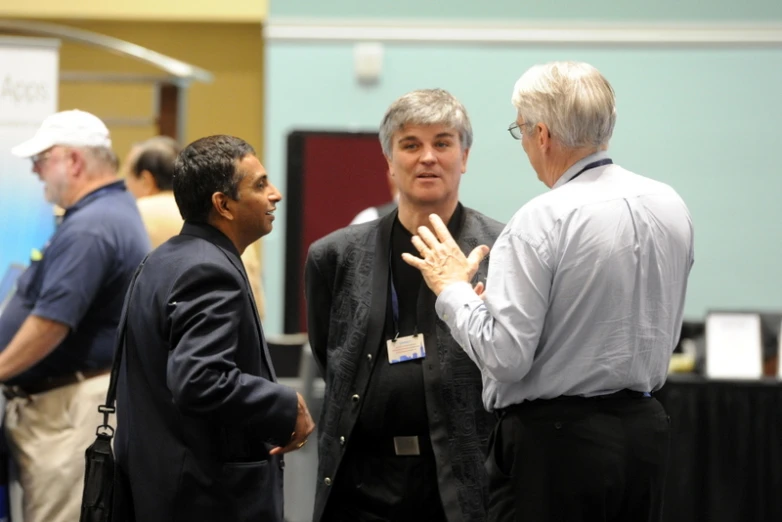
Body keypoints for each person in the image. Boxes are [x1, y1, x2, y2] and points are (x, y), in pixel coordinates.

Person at [403, 61, 695, 522]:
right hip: (644, 435)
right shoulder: (669, 204)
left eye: (520, 132)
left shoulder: (543, 219)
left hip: (557, 449)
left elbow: (506, 358)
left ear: (542, 134)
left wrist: (453, 289)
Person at [305, 89, 504, 522]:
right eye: (411, 144)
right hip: (360, 484)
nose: (427, 157)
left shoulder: (503, 250)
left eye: (442, 143)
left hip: (464, 484)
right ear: (389, 162)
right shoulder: (335, 257)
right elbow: (333, 357)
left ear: (464, 157)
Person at [114, 135, 315, 522]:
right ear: (222, 204)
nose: (275, 195)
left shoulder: (162, 259)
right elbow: (200, 379)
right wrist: (286, 405)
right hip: (205, 499)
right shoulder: (209, 271)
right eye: (259, 185)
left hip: (160, 487)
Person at [0, 109, 150, 522]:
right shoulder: (106, 213)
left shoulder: (92, 227)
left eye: (42, 160)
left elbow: (51, 323)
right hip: (65, 405)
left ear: (74, 161)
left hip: (66, 413)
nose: (35, 172)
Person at [121, 136, 268, 318]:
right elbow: (256, 300)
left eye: (127, 176)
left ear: (146, 180)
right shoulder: (230, 214)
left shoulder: (134, 215)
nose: (125, 186)